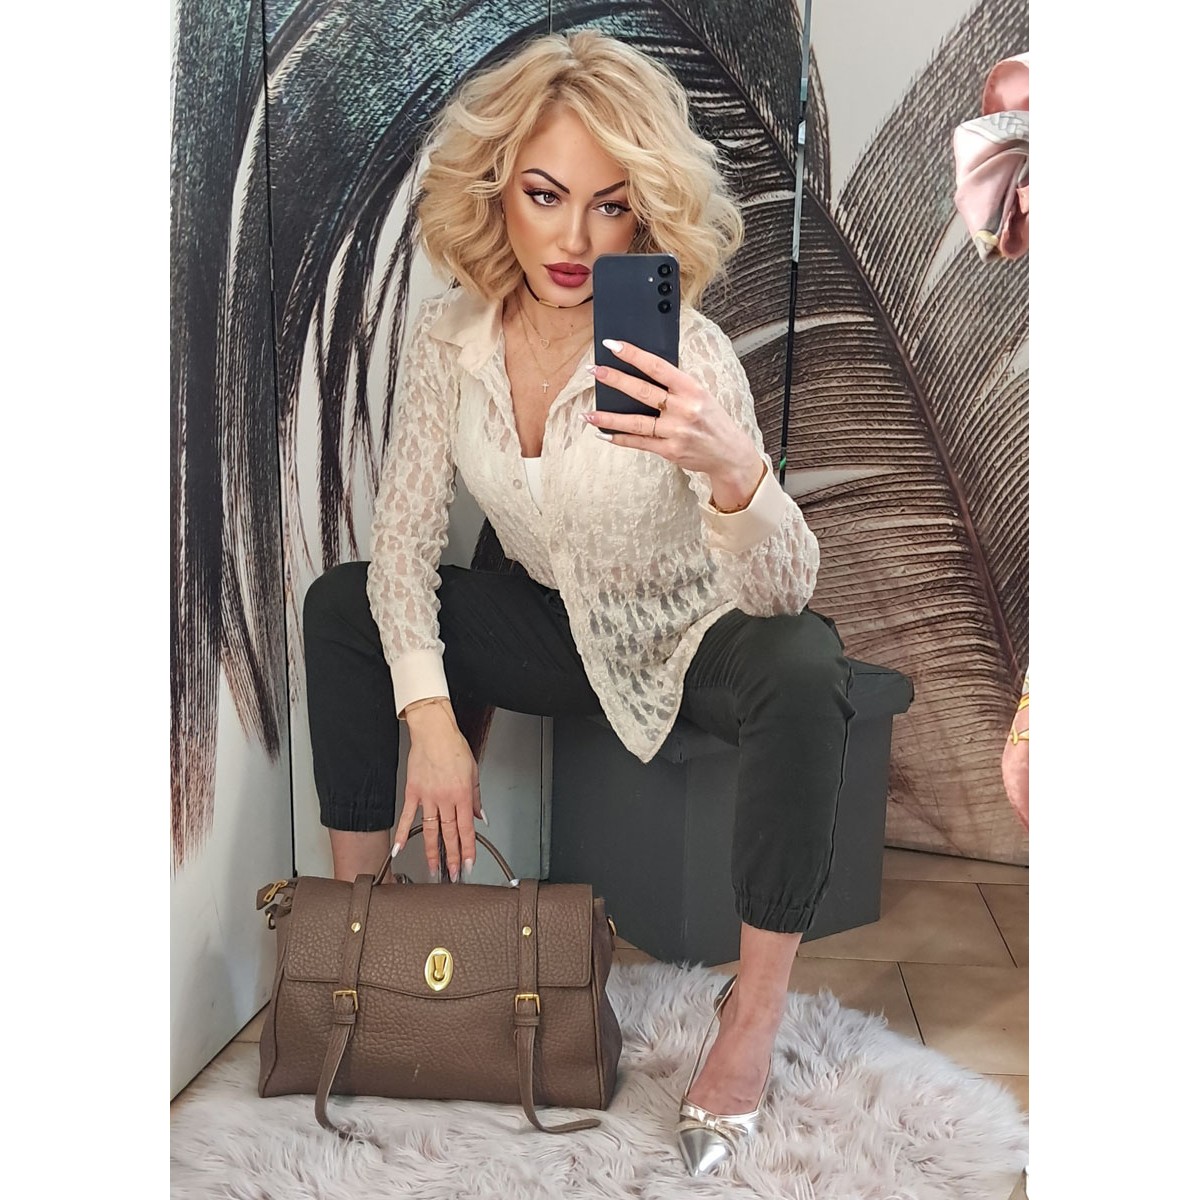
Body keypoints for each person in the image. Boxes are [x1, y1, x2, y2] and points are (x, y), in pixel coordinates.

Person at [302, 30, 854, 1177]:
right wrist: (431, 721)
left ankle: (751, 1018)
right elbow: (403, 546)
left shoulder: (687, 347)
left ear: (642, 211)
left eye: (610, 206)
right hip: (550, 625)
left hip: (695, 631)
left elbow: (782, 591)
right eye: (546, 195)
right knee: (344, 604)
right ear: (496, 190)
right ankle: (359, 943)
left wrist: (731, 467)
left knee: (806, 662)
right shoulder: (450, 340)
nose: (573, 238)